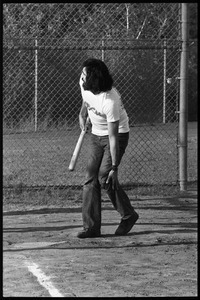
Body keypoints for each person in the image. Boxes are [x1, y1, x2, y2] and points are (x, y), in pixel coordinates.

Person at [77, 58, 139, 238]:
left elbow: (112, 137)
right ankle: (92, 227)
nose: (81, 77)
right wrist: (82, 114)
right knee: (90, 178)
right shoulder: (84, 83)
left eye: (84, 75)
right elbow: (86, 99)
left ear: (94, 79)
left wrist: (115, 168)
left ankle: (128, 215)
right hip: (96, 135)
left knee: (105, 176)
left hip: (117, 135)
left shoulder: (110, 101)